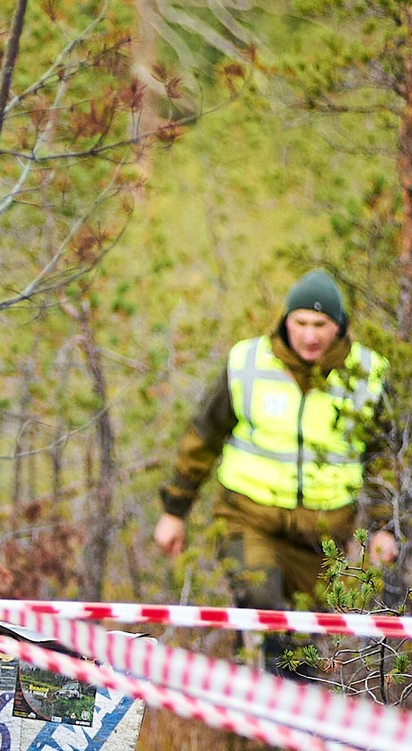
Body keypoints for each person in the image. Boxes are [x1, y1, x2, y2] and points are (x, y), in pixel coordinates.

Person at [153, 268, 399, 674]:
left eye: (321, 324)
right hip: (249, 516)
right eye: (300, 322)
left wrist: (383, 527)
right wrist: (174, 511)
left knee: (300, 642)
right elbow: (203, 438)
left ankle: (280, 726)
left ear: (339, 325)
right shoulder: (247, 363)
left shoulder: (368, 375)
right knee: (261, 599)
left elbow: (385, 459)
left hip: (323, 534)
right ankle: (252, 700)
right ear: (285, 321)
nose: (310, 334)